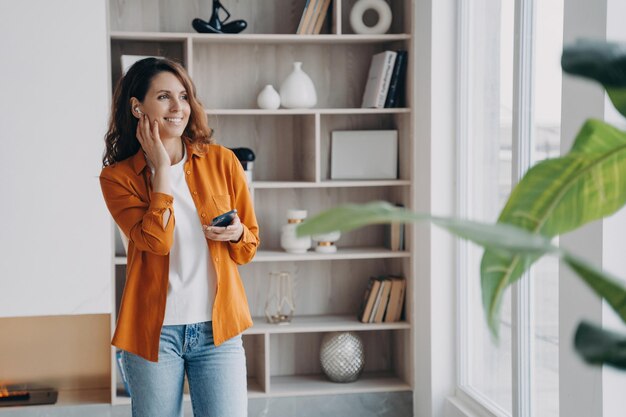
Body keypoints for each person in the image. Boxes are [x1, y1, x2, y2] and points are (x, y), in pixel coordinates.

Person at [99, 57, 259, 417]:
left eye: (184, 96)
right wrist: (160, 173)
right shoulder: (117, 178)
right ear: (137, 106)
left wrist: (236, 234)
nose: (178, 107)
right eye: (164, 97)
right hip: (153, 335)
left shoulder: (223, 162)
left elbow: (249, 247)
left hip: (218, 331)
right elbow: (157, 242)